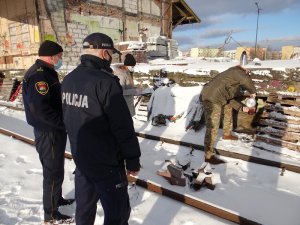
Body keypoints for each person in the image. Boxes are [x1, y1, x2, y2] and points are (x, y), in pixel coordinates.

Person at [61, 33, 141, 225]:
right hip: (107, 163)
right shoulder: (105, 82)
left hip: (82, 159)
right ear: (105, 53)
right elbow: (122, 126)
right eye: (110, 54)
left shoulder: (69, 79)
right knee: (118, 214)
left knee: (85, 210)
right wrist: (132, 159)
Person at [22, 40, 74, 223]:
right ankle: (50, 214)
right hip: (49, 132)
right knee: (52, 173)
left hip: (54, 131)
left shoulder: (46, 72)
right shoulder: (40, 76)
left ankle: (56, 200)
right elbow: (40, 110)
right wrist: (63, 123)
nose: (61, 59)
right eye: (59, 56)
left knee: (57, 169)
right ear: (51, 56)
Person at [200, 65, 256, 164]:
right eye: (247, 73)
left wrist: (242, 108)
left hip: (220, 97)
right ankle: (208, 156)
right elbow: (245, 79)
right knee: (213, 127)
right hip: (211, 99)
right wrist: (253, 92)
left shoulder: (233, 80)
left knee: (228, 109)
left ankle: (227, 134)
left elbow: (230, 99)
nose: (248, 75)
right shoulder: (235, 71)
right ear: (244, 71)